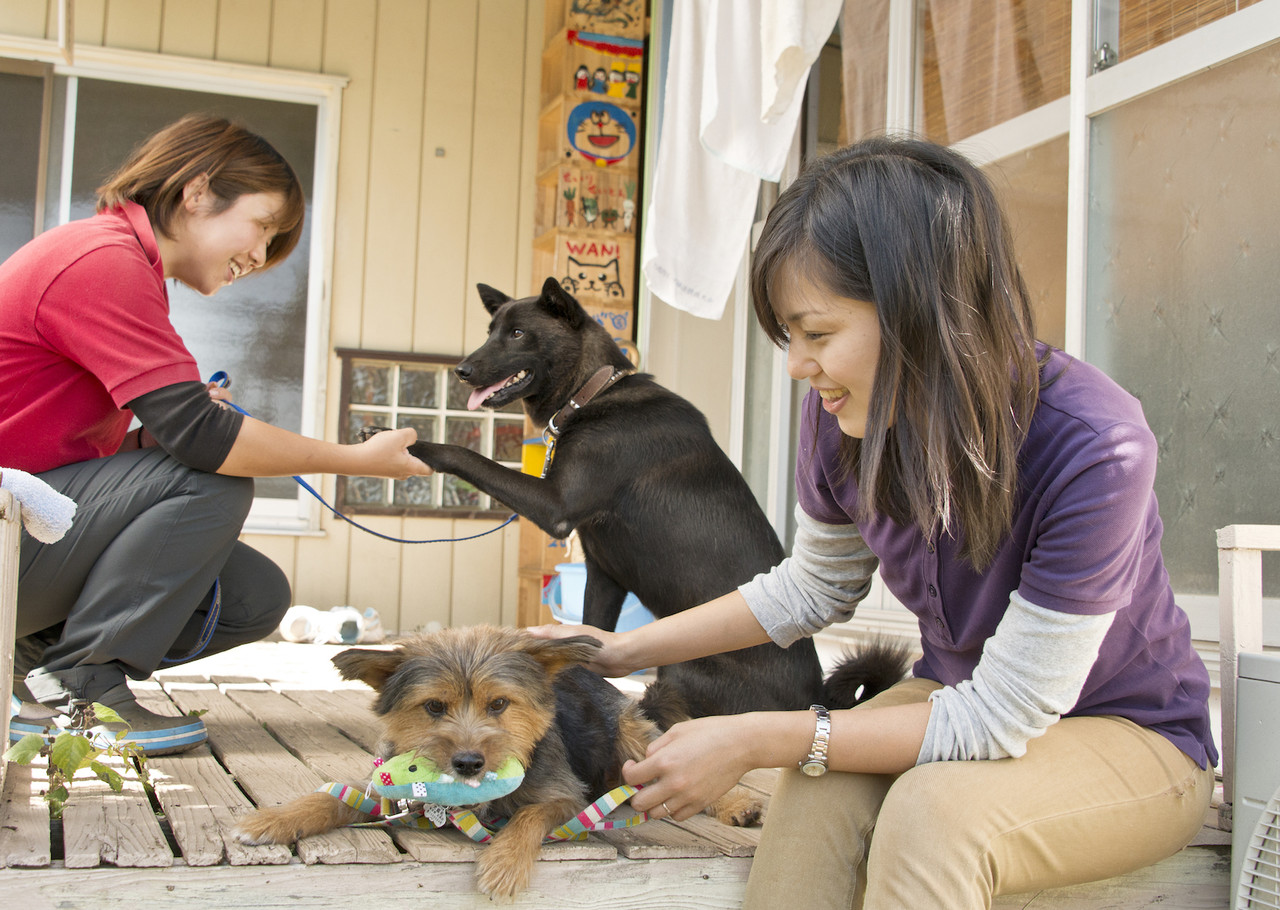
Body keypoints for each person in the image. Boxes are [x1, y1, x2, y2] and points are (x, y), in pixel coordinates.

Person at [532, 135, 1217, 908]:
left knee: (935, 814)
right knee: (815, 792)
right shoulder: (842, 416)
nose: (796, 364)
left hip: (1130, 736)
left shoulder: (1095, 444)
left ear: (923, 309)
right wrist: (618, 648)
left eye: (817, 334)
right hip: (953, 698)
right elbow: (812, 588)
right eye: (789, 337)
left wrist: (758, 734)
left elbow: (1002, 716)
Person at [1, 114, 431, 756]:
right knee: (208, 472)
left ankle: (21, 661)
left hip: (24, 536)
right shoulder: (102, 260)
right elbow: (203, 442)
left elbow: (74, 449)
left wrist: (158, 437)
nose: (259, 257)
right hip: (10, 537)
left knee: (252, 598)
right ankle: (83, 686)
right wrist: (354, 459)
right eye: (262, 227)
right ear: (198, 192)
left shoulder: (117, 262)